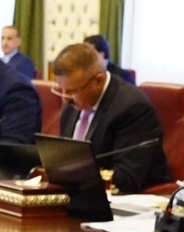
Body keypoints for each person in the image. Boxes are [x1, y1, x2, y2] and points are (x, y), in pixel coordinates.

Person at [53, 43, 169, 193]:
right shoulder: (72, 104)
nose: (65, 99)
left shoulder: (133, 108)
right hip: (80, 194)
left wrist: (74, 174)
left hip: (133, 199)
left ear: (98, 81)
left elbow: (127, 178)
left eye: (73, 91)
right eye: (61, 90)